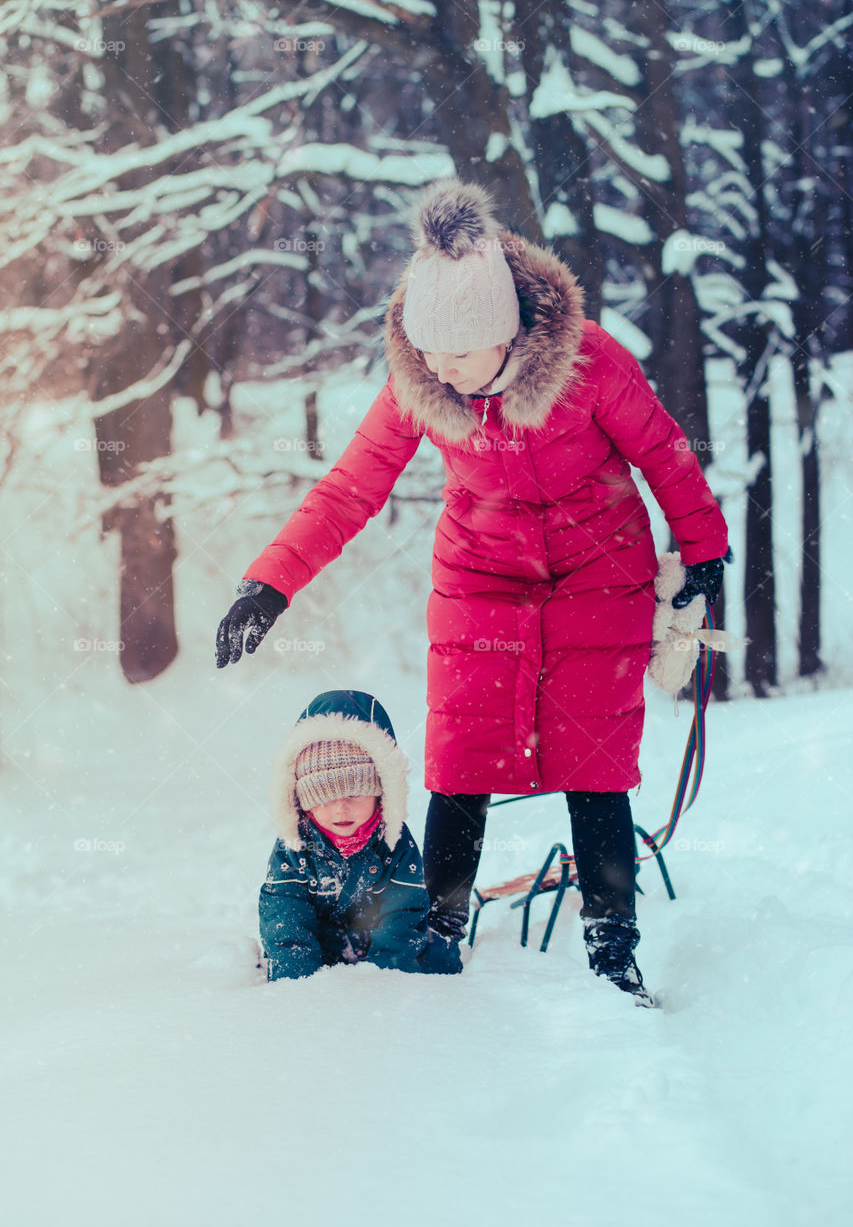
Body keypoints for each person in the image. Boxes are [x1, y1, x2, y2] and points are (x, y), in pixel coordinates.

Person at [221, 180, 730, 1005]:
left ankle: (611, 947)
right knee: (460, 755)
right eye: (426, 353)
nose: (438, 370)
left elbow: (665, 454)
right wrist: (269, 584)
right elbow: (351, 488)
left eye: (457, 354)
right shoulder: (420, 382)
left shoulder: (590, 362)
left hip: (600, 566)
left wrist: (703, 552)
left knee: (596, 764)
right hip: (480, 572)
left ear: (505, 335)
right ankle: (440, 928)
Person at [258, 688, 434, 981]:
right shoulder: (294, 845)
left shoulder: (395, 842)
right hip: (322, 951)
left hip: (379, 950)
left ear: (381, 793)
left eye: (355, 794)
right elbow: (284, 915)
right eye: (324, 797)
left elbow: (403, 912)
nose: (340, 810)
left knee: (438, 956)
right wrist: (298, 982)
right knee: (287, 945)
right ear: (303, 799)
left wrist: (384, 979)